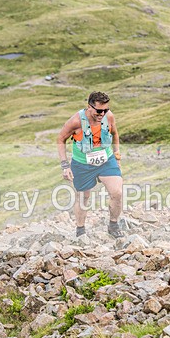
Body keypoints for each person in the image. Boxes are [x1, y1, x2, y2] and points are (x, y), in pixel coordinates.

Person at [57, 91, 124, 238]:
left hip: (106, 160)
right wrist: (65, 166)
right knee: (83, 196)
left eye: (105, 110)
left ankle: (113, 225)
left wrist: (117, 156)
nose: (102, 114)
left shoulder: (109, 116)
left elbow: (115, 134)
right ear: (89, 107)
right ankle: (80, 230)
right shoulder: (76, 121)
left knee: (117, 193)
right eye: (99, 111)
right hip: (82, 164)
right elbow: (61, 139)